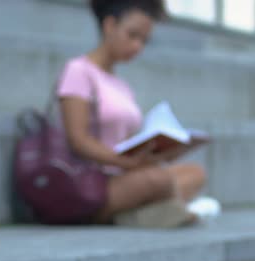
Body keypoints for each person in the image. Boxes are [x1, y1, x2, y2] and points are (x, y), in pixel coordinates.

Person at [57, 0, 218, 226]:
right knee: (158, 180)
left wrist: (161, 152)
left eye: (144, 40)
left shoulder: (121, 85)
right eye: (132, 35)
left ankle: (149, 211)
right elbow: (78, 140)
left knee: (195, 174)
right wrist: (126, 163)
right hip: (94, 181)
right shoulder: (78, 71)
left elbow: (125, 140)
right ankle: (164, 209)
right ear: (110, 25)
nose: (137, 47)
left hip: (126, 174)